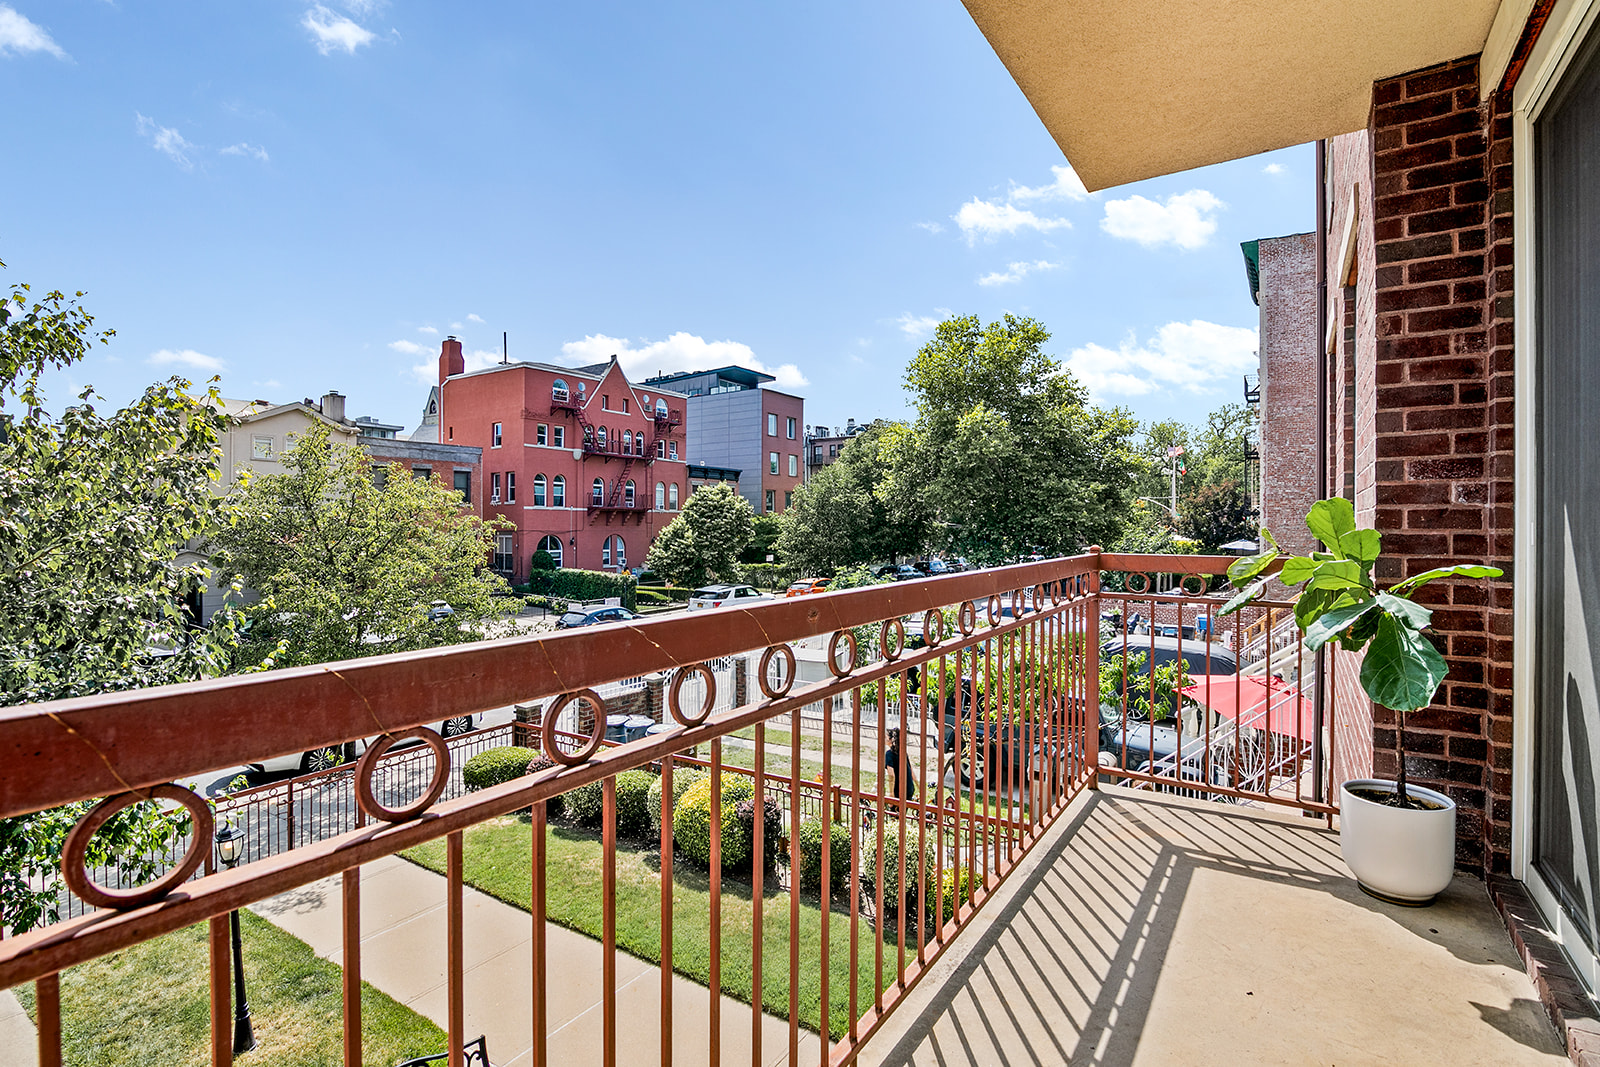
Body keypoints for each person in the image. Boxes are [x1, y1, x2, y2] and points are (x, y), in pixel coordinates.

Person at [884, 728, 917, 804]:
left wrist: (891, 793)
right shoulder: (903, 752)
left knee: (895, 814)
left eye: (885, 737)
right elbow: (911, 770)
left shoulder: (889, 754)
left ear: (891, 739)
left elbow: (891, 775)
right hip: (909, 789)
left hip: (899, 790)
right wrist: (918, 786)